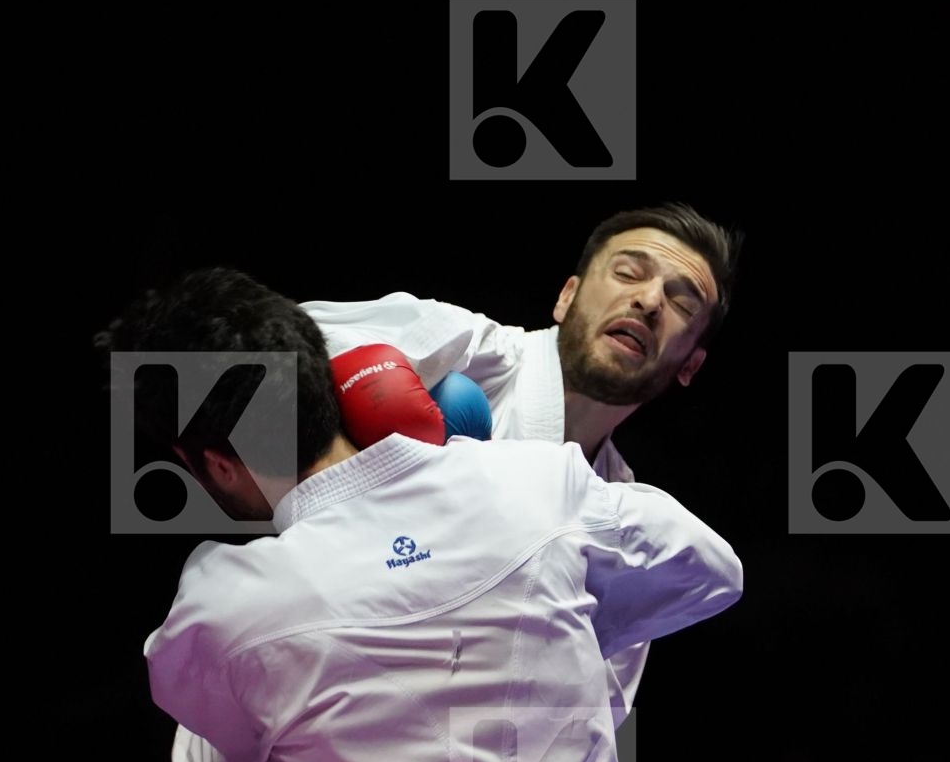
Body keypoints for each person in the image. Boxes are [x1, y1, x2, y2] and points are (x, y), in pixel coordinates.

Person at [95, 269, 744, 762]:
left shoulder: (222, 601)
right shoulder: (537, 483)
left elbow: (223, 738)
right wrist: (539, 615)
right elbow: (715, 571)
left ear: (216, 464)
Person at [298, 200, 743, 733]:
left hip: (411, 755)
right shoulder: (462, 349)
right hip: (290, 688)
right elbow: (238, 363)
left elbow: (576, 735)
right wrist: (341, 473)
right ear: (567, 296)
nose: (648, 301)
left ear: (690, 364)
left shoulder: (623, 538)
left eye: (681, 303)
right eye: (628, 273)